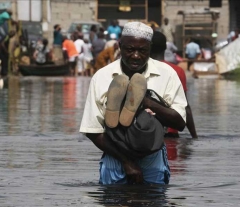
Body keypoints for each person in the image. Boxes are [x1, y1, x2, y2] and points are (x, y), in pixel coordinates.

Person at [80, 22, 187, 185]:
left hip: (152, 152)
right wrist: (126, 162)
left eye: (142, 50)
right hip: (116, 153)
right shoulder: (102, 76)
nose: (136, 55)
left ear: (150, 48)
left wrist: (146, 102)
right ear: (120, 46)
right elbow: (92, 130)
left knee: (128, 199)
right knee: (143, 198)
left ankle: (140, 102)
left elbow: (179, 123)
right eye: (130, 49)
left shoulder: (167, 74)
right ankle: (123, 111)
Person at [150, 31, 198, 138]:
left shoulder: (140, 69)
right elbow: (185, 106)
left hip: (146, 132)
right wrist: (194, 136)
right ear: (165, 47)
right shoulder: (177, 71)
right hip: (171, 134)